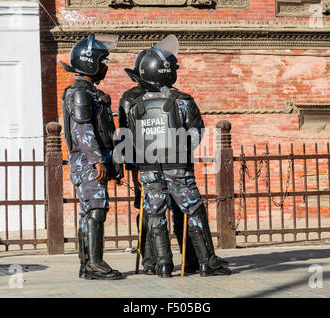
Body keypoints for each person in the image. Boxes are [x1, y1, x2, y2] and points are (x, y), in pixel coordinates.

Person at [122, 35, 231, 278]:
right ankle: (206, 262)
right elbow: (196, 131)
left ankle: (163, 265)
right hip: (177, 167)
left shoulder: (135, 104)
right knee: (193, 210)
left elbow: (130, 137)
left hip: (149, 169)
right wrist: (181, 150)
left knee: (155, 212)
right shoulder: (182, 101)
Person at [119, 50, 199, 275]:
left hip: (156, 163)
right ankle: (151, 260)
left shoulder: (149, 97)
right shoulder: (131, 98)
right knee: (151, 210)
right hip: (148, 163)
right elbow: (125, 135)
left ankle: (182, 259)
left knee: (169, 209)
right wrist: (131, 167)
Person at [60, 34, 124, 280]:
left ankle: (88, 265)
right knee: (95, 210)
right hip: (87, 162)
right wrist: (98, 160)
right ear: (90, 63)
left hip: (92, 160)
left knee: (91, 211)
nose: (105, 67)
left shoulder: (90, 92)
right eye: (103, 62)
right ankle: (94, 264)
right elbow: (82, 130)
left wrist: (112, 161)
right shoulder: (80, 93)